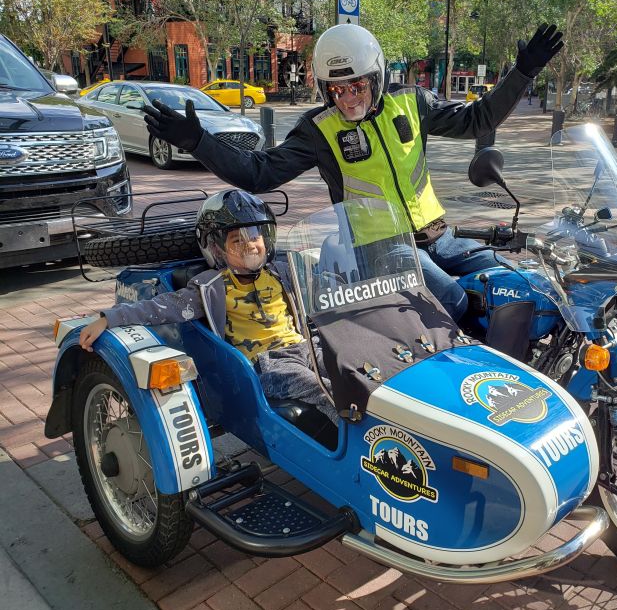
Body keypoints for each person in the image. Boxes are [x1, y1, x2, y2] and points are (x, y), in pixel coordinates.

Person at [142, 23, 563, 321]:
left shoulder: (412, 103)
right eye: (336, 89)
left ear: (376, 77)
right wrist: (199, 141)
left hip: (443, 238)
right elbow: (259, 173)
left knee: (517, 285)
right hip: (380, 250)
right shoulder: (320, 129)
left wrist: (523, 72)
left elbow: (478, 119)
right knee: (451, 301)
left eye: (357, 86)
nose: (346, 98)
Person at [78, 190, 337, 424]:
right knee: (321, 389)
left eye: (254, 236)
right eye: (237, 240)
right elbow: (161, 307)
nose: (249, 244)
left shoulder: (281, 270)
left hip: (306, 347)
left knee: (353, 370)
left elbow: (320, 283)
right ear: (217, 249)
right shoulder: (211, 285)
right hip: (267, 363)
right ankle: (361, 444)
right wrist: (108, 318)